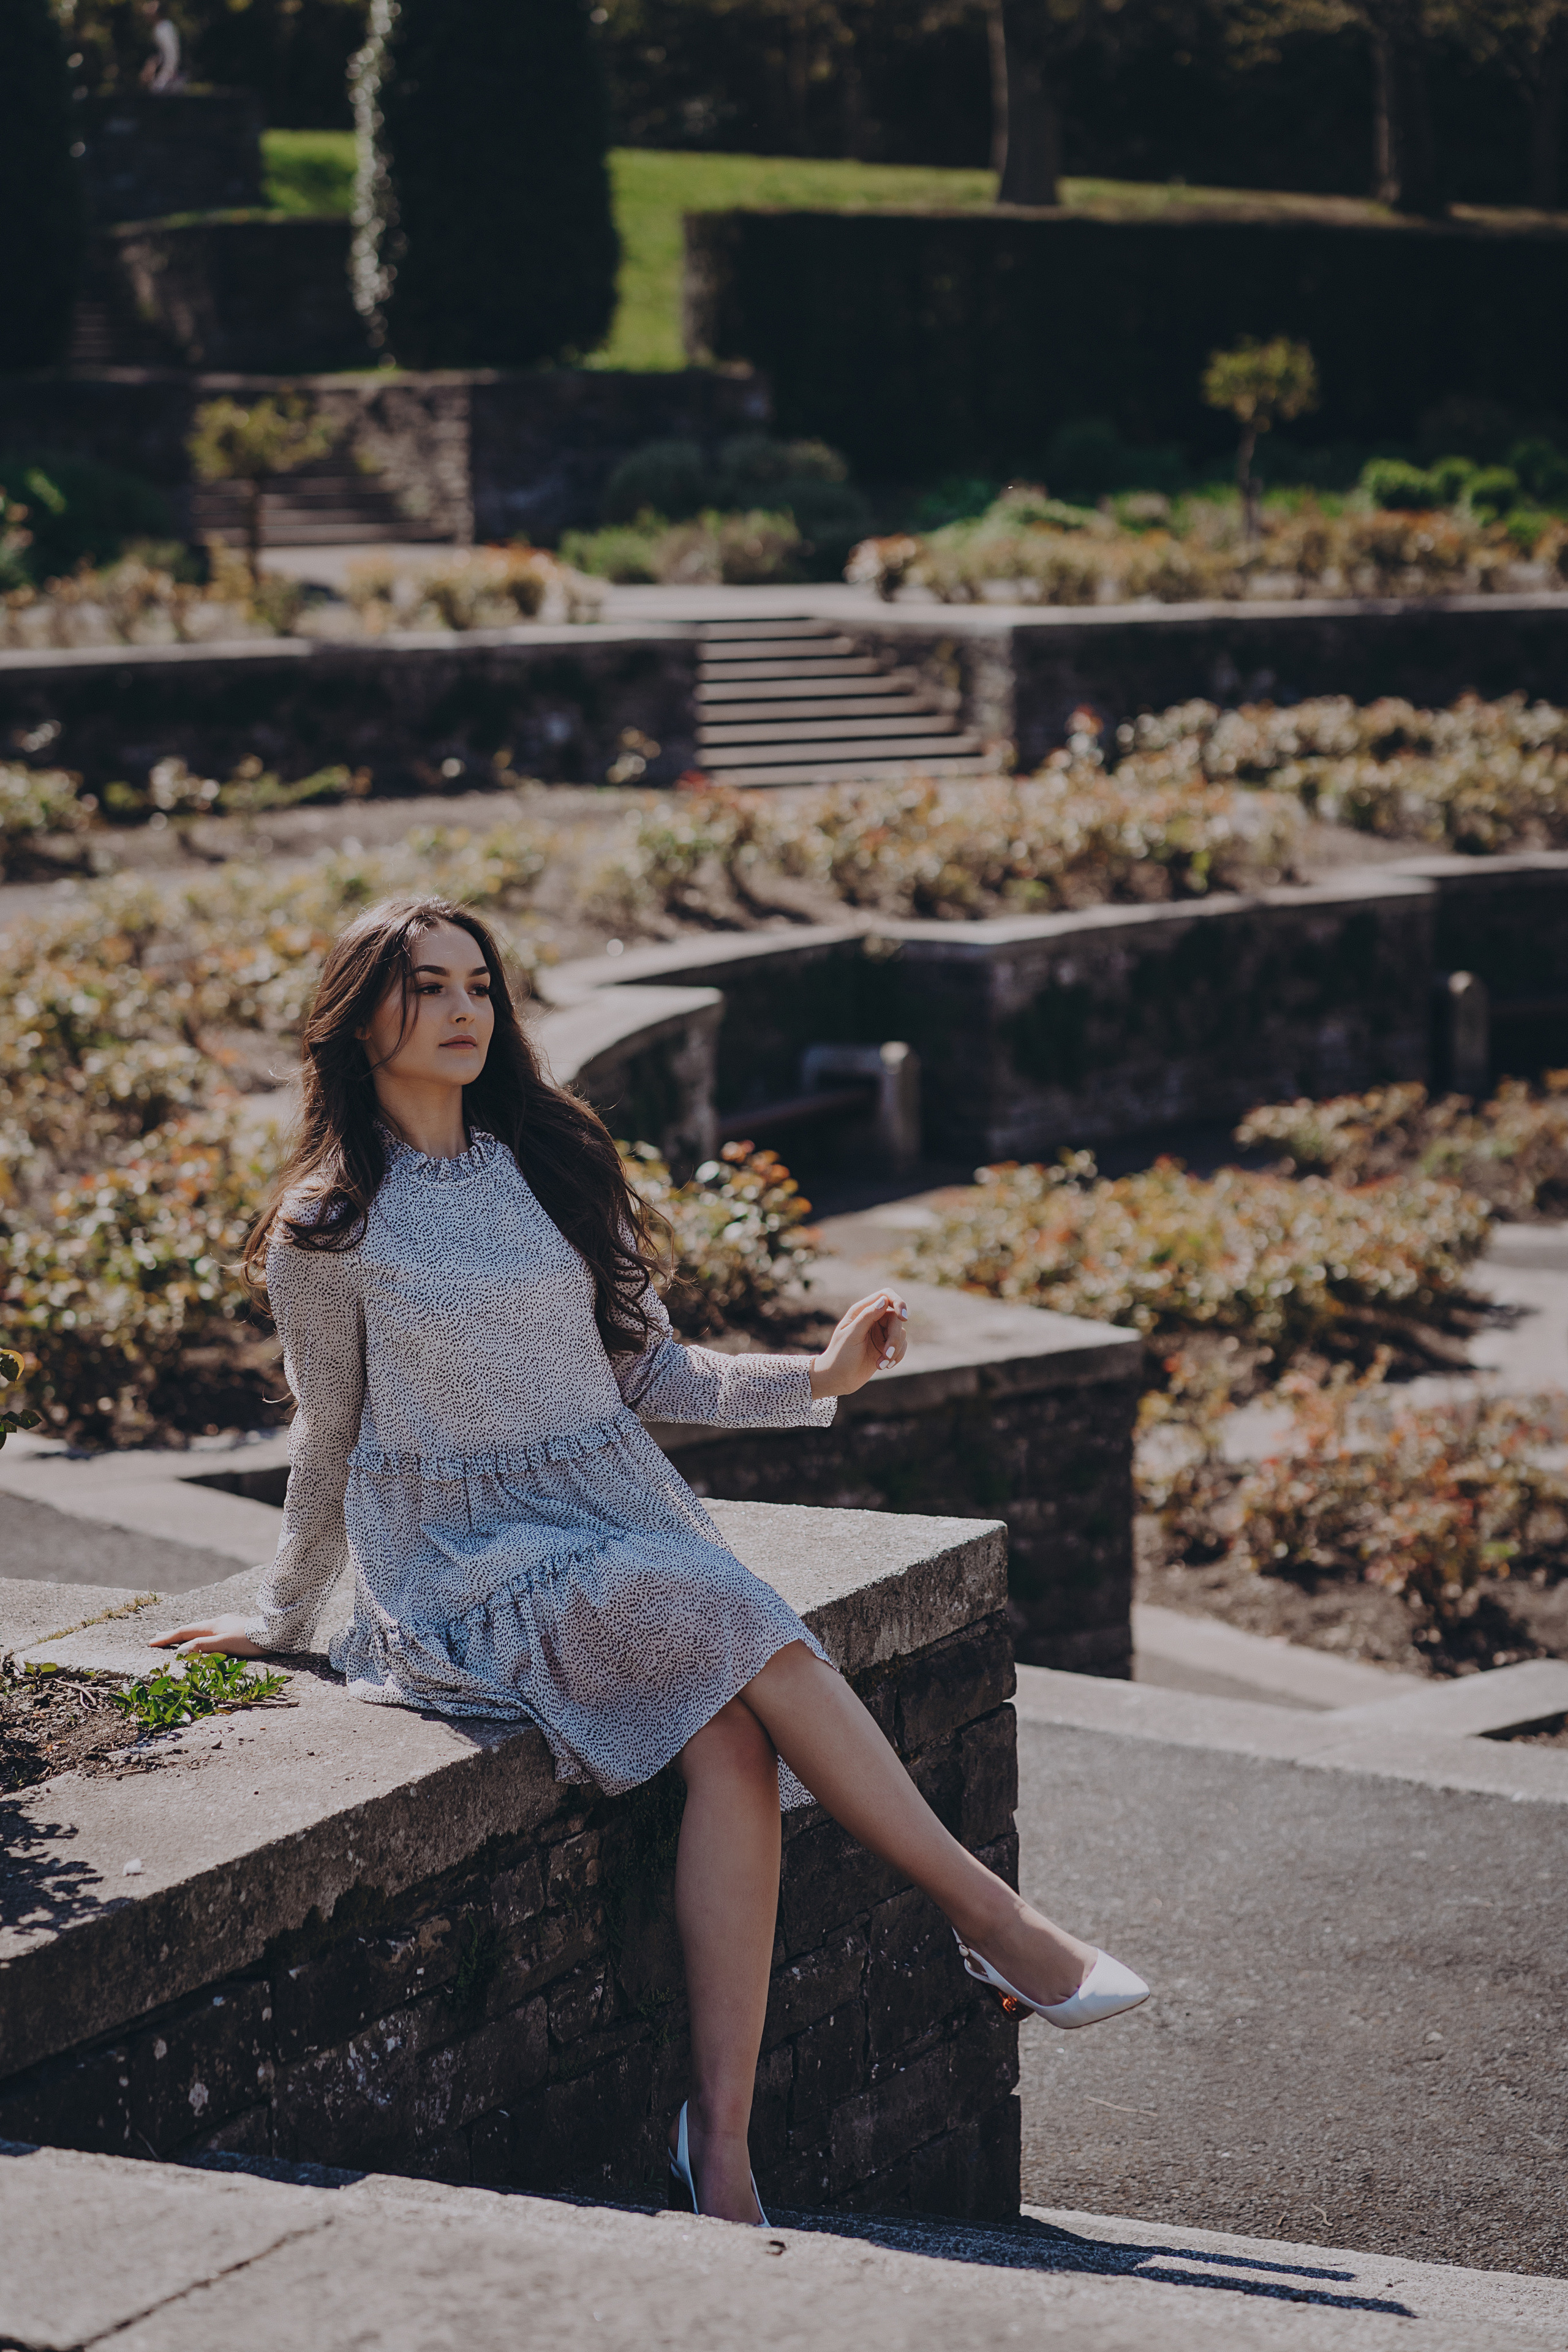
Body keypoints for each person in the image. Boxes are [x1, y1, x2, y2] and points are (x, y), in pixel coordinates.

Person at [156, 896, 1148, 2226]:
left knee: (731, 1747)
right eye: (425, 986)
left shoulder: (550, 1163)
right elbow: (328, 1436)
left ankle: (718, 2151)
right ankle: (990, 1919)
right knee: (723, 1605)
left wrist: (821, 1376)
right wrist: (283, 1613)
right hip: (458, 1561)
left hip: (609, 1512)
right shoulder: (326, 1226)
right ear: (361, 1017)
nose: (462, 1010)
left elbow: (652, 1372)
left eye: (479, 986)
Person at [138, 2, 183, 90]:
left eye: (151, 7)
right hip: (167, 79)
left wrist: (164, 78)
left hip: (168, 81)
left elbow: (171, 55)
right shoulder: (163, 27)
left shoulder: (162, 29)